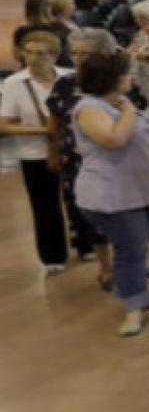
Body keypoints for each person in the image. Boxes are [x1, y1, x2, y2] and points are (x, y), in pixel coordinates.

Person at [70, 51, 149, 337]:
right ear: (112, 80)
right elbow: (113, 139)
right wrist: (128, 111)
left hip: (138, 189)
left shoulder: (118, 103)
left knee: (139, 247)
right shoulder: (90, 108)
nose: (132, 78)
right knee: (129, 251)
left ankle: (141, 294)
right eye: (127, 74)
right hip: (111, 194)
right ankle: (132, 310)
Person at [47, 29, 123, 281]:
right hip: (77, 159)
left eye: (86, 53)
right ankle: (105, 264)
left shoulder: (119, 82)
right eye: (75, 53)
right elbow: (55, 123)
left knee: (124, 211)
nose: (79, 58)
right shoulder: (65, 84)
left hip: (117, 157)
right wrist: (53, 152)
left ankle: (129, 259)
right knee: (88, 211)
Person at [1, 30, 71, 273]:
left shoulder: (69, 78)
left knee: (77, 201)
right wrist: (44, 131)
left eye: (40, 54)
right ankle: (53, 256)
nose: (32, 59)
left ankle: (87, 244)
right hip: (33, 154)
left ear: (54, 55)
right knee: (44, 206)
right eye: (28, 53)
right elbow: (4, 123)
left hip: (70, 150)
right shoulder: (14, 84)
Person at [11, 0, 72, 68]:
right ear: (48, 9)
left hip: (31, 70)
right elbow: (69, 52)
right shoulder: (60, 28)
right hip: (60, 69)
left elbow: (17, 56)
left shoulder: (21, 32)